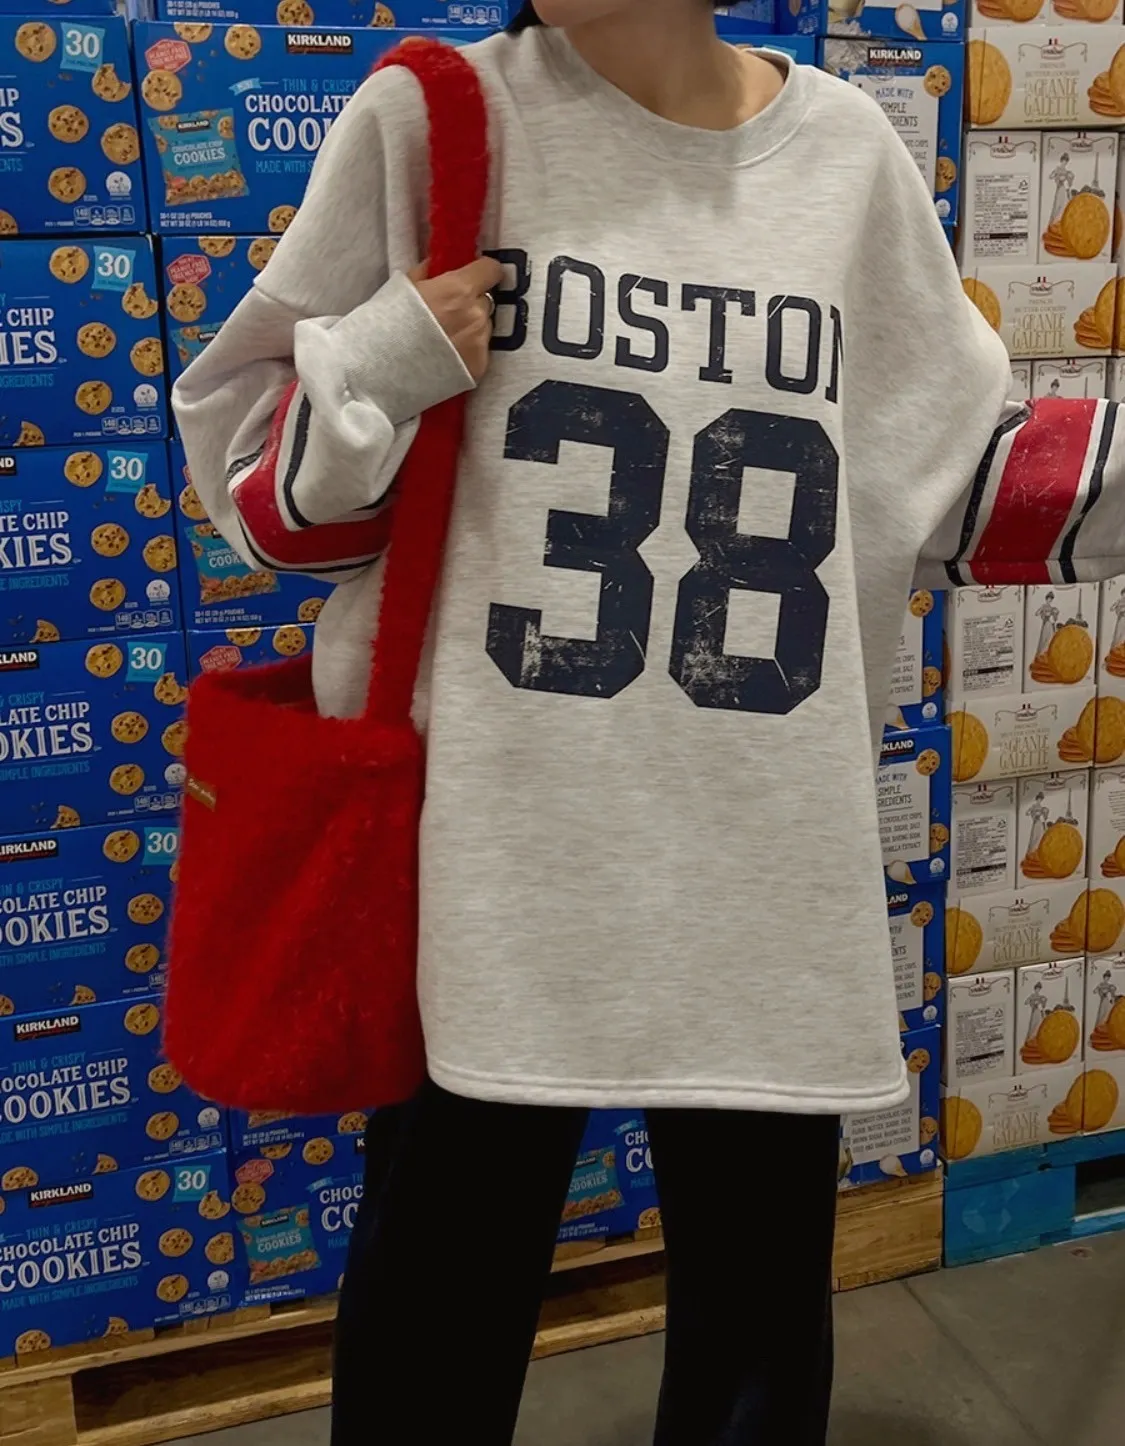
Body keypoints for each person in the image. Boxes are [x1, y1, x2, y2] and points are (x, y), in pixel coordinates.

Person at [172, 2, 1125, 1441]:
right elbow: (257, 503)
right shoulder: (433, 126)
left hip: (760, 870)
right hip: (494, 870)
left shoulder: (847, 158)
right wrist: (377, 365)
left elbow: (950, 475)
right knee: (438, 1310)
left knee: (758, 1324)